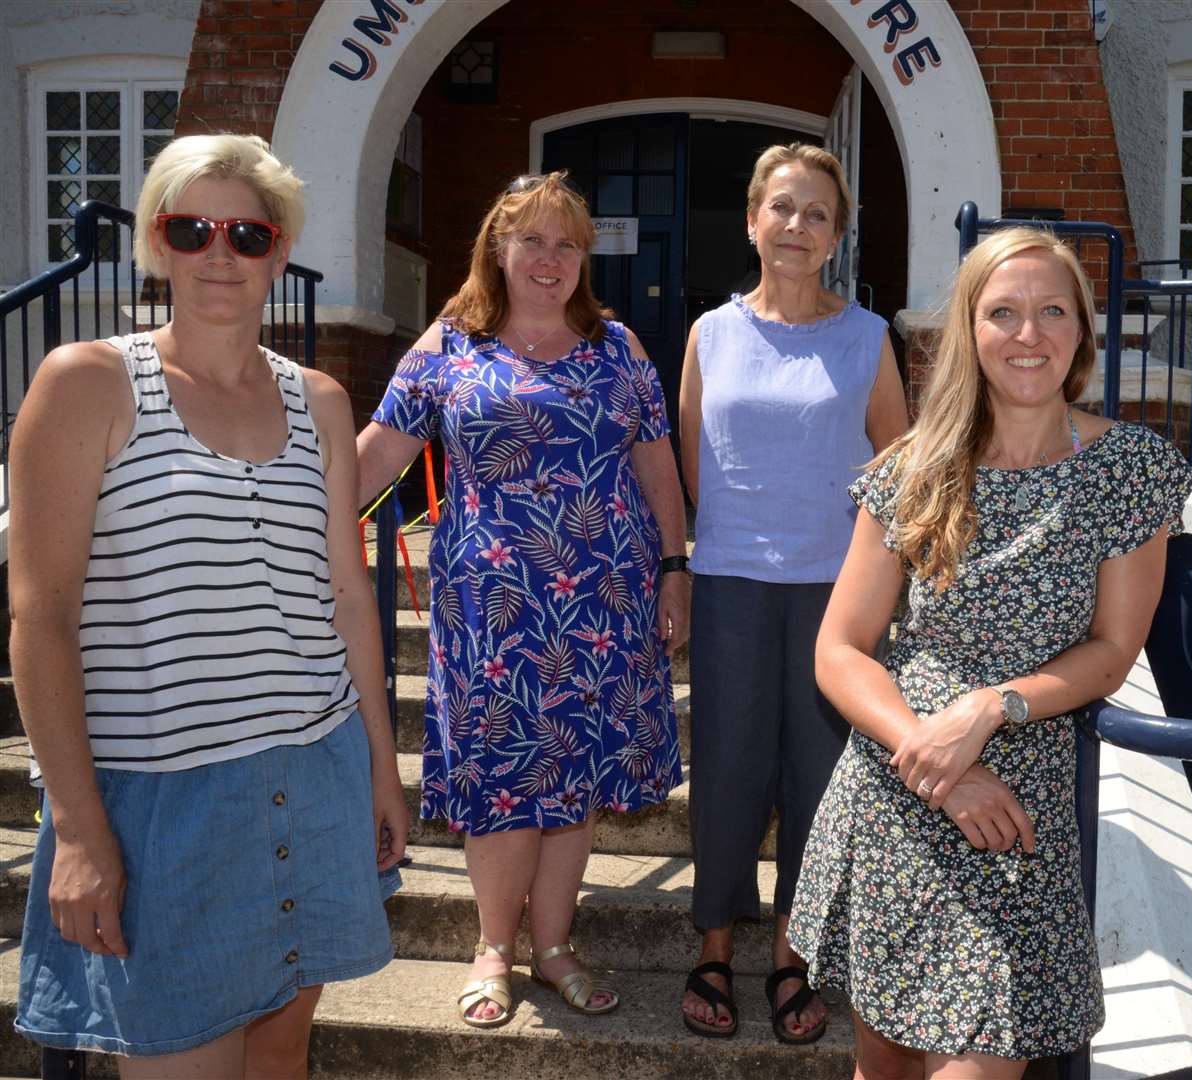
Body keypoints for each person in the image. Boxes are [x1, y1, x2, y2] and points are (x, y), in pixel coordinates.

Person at [8, 133, 407, 1077]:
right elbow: (41, 618)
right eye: (191, 229)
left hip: (317, 773)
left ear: (279, 247)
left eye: (247, 232)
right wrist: (76, 826)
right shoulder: (88, 382)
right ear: (156, 241)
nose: (219, 252)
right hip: (163, 802)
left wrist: (384, 771)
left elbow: (347, 598)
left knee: (280, 1061)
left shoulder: (322, 401)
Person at [787, 226, 1192, 1077]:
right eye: (1003, 312)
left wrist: (987, 709)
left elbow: (1114, 650)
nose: (1029, 334)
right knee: (883, 1067)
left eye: (1053, 311)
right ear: (970, 330)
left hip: (1015, 820)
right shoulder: (914, 469)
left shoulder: (1130, 469)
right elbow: (840, 648)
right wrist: (934, 757)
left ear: (1083, 330)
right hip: (896, 788)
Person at [357, 172, 687, 1028]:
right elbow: (374, 457)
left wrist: (675, 565)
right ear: (497, 250)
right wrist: (283, 490)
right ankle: (492, 949)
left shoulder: (619, 348)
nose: (549, 258)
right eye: (532, 240)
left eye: (567, 243)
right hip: (492, 610)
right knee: (505, 777)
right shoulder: (448, 345)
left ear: (585, 256)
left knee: (571, 781)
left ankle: (555, 947)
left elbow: (657, 464)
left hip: (603, 600)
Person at [676, 142, 907, 1044]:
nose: (797, 228)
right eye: (782, 208)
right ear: (751, 219)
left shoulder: (867, 339)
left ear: (836, 235)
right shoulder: (711, 333)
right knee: (728, 772)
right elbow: (698, 460)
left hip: (836, 593)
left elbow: (896, 469)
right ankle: (714, 948)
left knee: (818, 780)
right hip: (733, 579)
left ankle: (793, 959)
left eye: (817, 214)